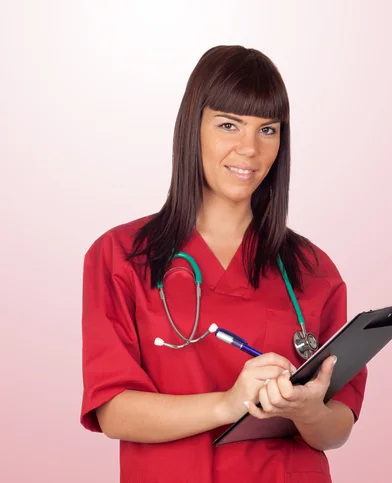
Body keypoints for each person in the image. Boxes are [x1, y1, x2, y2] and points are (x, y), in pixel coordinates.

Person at [80, 44, 368, 483]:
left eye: (267, 129)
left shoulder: (312, 269)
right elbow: (113, 411)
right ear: (192, 128)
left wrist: (309, 412)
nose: (249, 149)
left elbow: (335, 429)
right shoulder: (122, 256)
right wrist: (229, 404)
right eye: (229, 125)